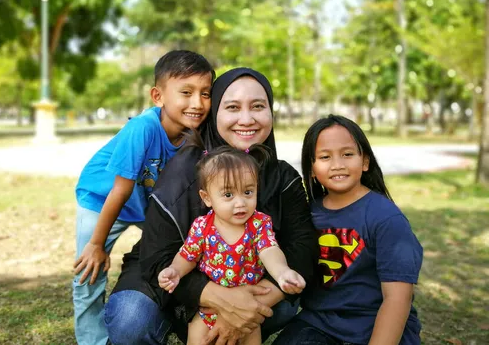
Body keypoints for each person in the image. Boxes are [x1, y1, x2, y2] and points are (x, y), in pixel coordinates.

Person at [105, 68, 319, 345]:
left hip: (244, 278)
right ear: (215, 112)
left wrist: (253, 301)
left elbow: (303, 246)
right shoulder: (183, 172)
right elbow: (158, 257)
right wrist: (226, 303)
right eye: (232, 107)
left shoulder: (282, 177)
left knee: (284, 305)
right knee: (131, 321)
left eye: (258, 106)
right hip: (172, 276)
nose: (247, 118)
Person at [72, 50, 215, 345]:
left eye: (205, 93)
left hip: (142, 205)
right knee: (89, 271)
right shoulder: (143, 128)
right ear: (158, 96)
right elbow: (120, 191)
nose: (197, 103)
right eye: (186, 92)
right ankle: (94, 341)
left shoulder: (194, 135)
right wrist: (97, 245)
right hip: (102, 200)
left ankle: (177, 309)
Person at [273, 115, 423, 345]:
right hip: (319, 323)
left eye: (347, 154)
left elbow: (397, 300)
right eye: (325, 157)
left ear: (365, 161)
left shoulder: (386, 218)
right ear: (311, 169)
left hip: (375, 324)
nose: (337, 164)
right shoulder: (307, 215)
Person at [158, 144, 307, 345]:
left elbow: (269, 250)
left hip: (247, 309)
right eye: (228, 195)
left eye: (248, 192)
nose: (240, 203)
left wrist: (282, 273)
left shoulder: (258, 224)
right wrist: (175, 270)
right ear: (207, 198)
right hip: (208, 309)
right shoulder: (203, 226)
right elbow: (188, 255)